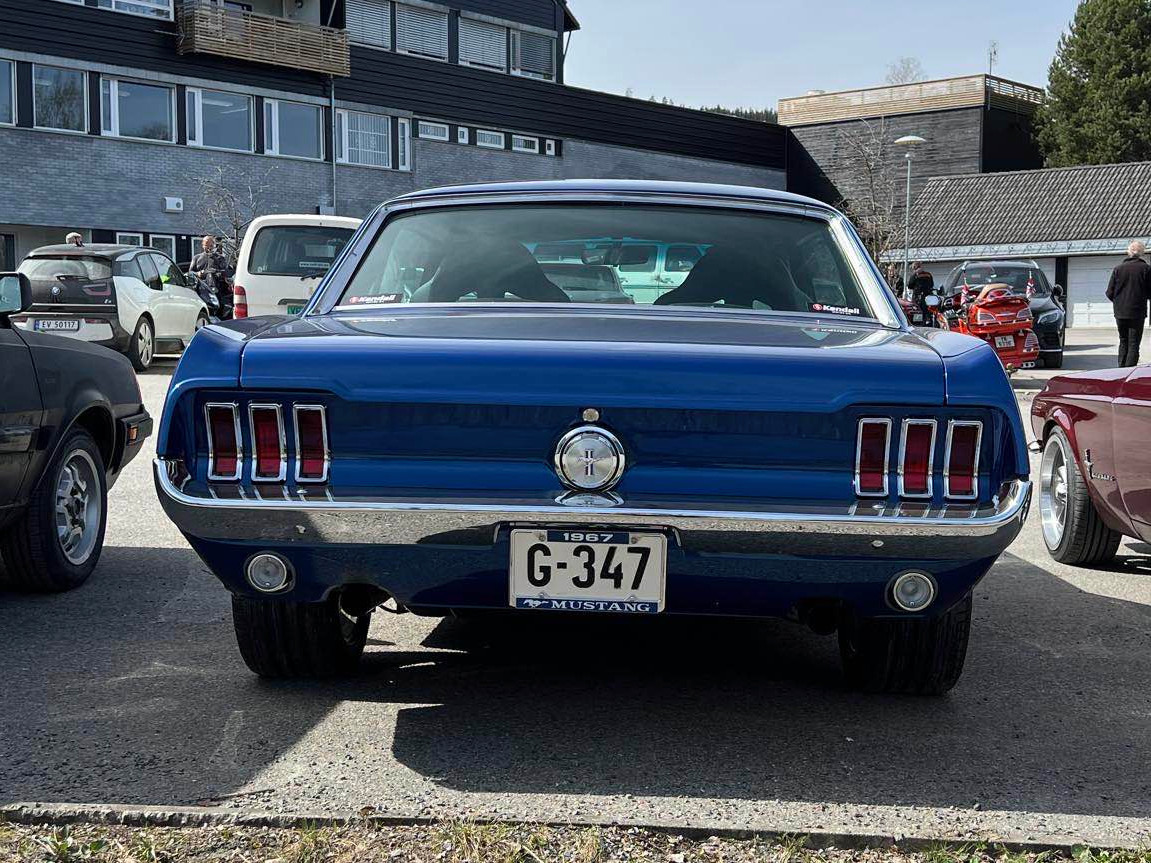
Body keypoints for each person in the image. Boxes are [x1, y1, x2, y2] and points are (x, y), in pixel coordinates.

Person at [1106, 240, 1150, 367]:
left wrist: (1119, 302)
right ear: (1142, 253)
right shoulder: (1146, 269)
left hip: (1120, 312)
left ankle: (1120, 369)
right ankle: (1129, 371)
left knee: (1123, 341)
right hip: (1137, 311)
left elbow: (1109, 292)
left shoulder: (1118, 269)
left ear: (1129, 252)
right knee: (1134, 343)